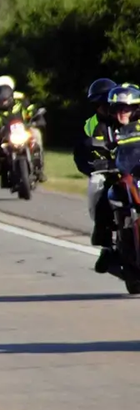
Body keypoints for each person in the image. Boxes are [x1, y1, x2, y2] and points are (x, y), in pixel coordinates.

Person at [74, 83, 140, 271]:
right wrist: (97, 164)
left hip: (138, 172)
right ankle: (105, 240)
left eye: (127, 108)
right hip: (116, 173)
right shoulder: (103, 127)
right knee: (98, 185)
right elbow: (84, 149)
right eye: (118, 108)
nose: (122, 113)